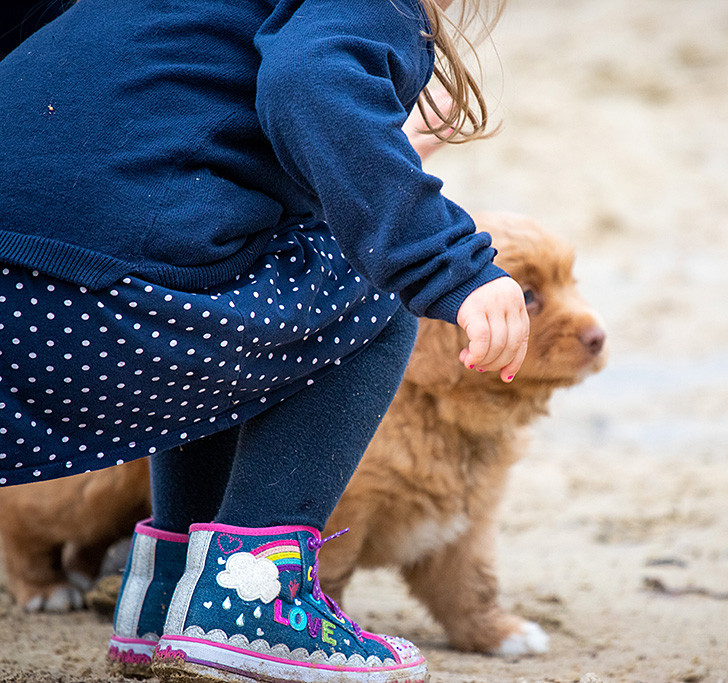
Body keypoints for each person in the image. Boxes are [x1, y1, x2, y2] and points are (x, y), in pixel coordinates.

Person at [0, 0, 526, 681]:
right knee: (366, 275)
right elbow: (311, 77)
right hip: (91, 308)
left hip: (23, 300)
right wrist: (447, 261)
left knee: (237, 268)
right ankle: (251, 604)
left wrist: (360, 155)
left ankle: (172, 595)